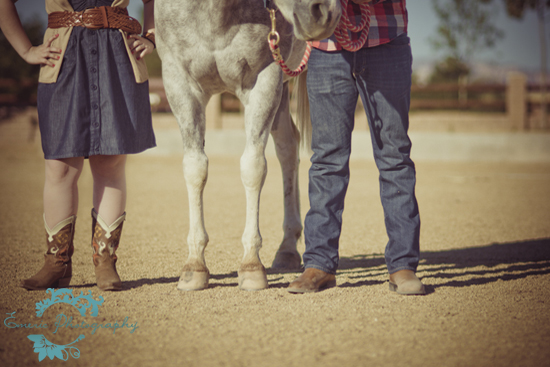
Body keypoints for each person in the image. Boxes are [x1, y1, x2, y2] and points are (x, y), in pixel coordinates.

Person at [0, 0, 157, 291]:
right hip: (62, 59)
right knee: (60, 167)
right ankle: (56, 264)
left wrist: (151, 35)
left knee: (110, 163)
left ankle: (105, 260)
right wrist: (25, 50)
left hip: (118, 56)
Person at [288, 0, 425, 295]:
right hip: (326, 46)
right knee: (326, 158)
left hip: (386, 39)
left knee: (394, 155)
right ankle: (319, 264)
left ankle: (403, 265)